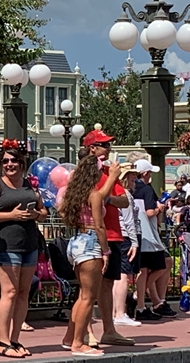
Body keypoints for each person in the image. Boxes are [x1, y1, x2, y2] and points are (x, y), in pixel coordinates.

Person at [0, 142, 48, 358]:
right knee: (9, 291)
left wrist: (36, 215)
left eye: (14, 160)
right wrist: (11, 215)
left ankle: (15, 339)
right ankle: (3, 342)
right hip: (5, 244)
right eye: (6, 161)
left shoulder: (29, 185)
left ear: (22, 163)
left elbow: (43, 212)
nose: (10, 164)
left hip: (29, 243)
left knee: (23, 292)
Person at [73, 129, 134, 347]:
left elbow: (123, 201)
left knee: (107, 284)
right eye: (104, 145)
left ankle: (109, 330)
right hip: (92, 235)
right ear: (92, 148)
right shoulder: (84, 174)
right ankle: (85, 332)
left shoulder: (109, 171)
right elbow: (91, 199)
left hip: (113, 234)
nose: (108, 149)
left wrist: (106, 198)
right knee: (87, 289)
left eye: (109, 145)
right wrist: (106, 194)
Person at [59, 156, 119, 357]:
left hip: (76, 241)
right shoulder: (93, 195)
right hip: (91, 241)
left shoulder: (74, 194)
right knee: (88, 297)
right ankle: (78, 343)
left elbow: (63, 212)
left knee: (82, 295)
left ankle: (70, 337)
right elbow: (100, 226)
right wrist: (106, 251)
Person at [132, 159, 176, 319]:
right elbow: (151, 213)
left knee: (143, 270)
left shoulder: (130, 189)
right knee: (162, 264)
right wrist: (160, 209)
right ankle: (138, 296)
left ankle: (146, 303)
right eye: (149, 173)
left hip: (136, 233)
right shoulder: (147, 189)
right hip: (148, 236)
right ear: (145, 173)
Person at [112, 163, 142, 327]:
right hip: (125, 237)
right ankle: (120, 313)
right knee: (124, 275)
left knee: (118, 276)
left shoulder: (116, 192)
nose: (134, 178)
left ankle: (115, 312)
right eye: (131, 175)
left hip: (119, 236)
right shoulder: (125, 195)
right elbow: (129, 220)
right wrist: (134, 242)